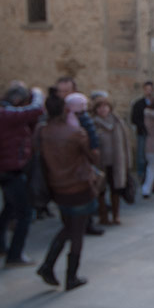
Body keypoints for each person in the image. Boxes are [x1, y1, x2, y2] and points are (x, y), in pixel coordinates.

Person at [37, 87, 99, 290]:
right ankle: (69, 275)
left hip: (56, 186)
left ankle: (48, 266)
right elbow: (93, 156)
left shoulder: (43, 132)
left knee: (68, 227)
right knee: (76, 231)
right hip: (78, 185)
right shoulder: (75, 133)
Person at [0, 82, 45, 266]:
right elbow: (35, 110)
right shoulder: (5, 114)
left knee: (8, 208)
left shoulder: (7, 114)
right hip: (10, 170)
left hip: (9, 168)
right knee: (25, 213)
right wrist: (37, 94)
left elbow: (32, 120)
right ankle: (15, 255)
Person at [55, 76, 104, 236]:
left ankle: (87, 223)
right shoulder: (55, 111)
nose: (62, 95)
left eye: (66, 91)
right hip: (62, 160)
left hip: (81, 159)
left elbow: (90, 134)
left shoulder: (80, 110)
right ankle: (69, 227)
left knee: (87, 191)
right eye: (60, 91)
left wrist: (92, 151)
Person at [92, 95, 131, 225]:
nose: (103, 109)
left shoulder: (118, 122)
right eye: (99, 107)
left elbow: (125, 143)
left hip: (117, 161)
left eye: (105, 106)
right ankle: (103, 216)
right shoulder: (93, 124)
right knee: (100, 190)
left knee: (116, 189)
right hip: (100, 163)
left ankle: (116, 215)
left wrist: (127, 161)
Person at [130, 81, 153, 181]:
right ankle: (141, 174)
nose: (148, 91)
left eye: (150, 89)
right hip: (142, 133)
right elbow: (134, 119)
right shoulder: (138, 104)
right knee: (141, 155)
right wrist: (144, 126)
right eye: (147, 89)